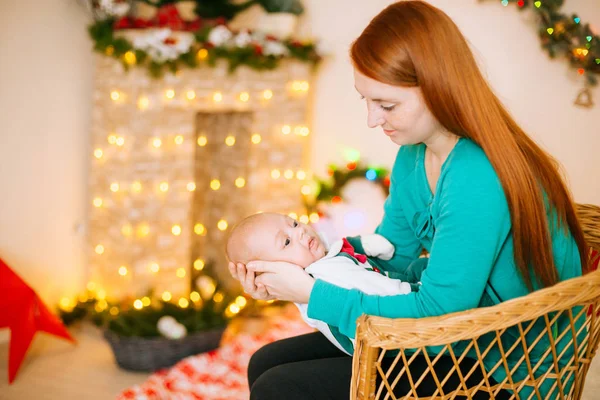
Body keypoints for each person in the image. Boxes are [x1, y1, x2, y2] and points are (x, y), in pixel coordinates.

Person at [228, 1, 590, 399]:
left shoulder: (477, 174)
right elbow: (391, 264)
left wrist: (312, 295)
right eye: (365, 100)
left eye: (387, 105)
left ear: (438, 86)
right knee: (264, 362)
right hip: (455, 341)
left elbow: (439, 317)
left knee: (282, 387)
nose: (372, 119)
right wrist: (292, 275)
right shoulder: (413, 156)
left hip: (504, 365)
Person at [225, 212, 419, 355]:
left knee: (266, 367)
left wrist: (364, 244)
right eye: (286, 242)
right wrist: (408, 290)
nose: (299, 231)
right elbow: (382, 290)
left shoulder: (320, 262)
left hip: (385, 327)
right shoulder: (329, 273)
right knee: (263, 359)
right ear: (275, 272)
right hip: (381, 344)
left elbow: (339, 249)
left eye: (293, 224)